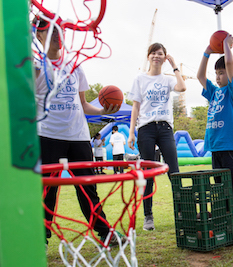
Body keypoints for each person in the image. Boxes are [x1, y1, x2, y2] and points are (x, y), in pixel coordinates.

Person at [33, 16, 125, 246]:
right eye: (51, 30)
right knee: (47, 191)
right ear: (38, 35)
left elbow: (83, 105)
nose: (58, 34)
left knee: (88, 188)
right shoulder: (34, 68)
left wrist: (104, 109)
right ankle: (39, 237)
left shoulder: (74, 65)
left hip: (79, 137)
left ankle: (105, 232)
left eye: (60, 30)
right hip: (48, 135)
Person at [197, 33, 233, 245]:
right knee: (221, 193)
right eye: (217, 73)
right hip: (217, 150)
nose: (218, 77)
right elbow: (201, 77)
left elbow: (230, 63)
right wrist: (207, 52)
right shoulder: (214, 93)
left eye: (221, 73)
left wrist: (227, 46)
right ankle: (226, 228)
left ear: (232, 74)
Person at [127, 43, 186, 231]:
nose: (156, 56)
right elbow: (135, 107)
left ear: (164, 57)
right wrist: (131, 132)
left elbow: (182, 87)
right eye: (153, 53)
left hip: (165, 127)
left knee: (173, 171)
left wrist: (174, 65)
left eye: (160, 54)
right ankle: (148, 216)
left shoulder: (167, 80)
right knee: (148, 173)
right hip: (146, 128)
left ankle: (182, 212)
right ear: (148, 56)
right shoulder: (140, 79)